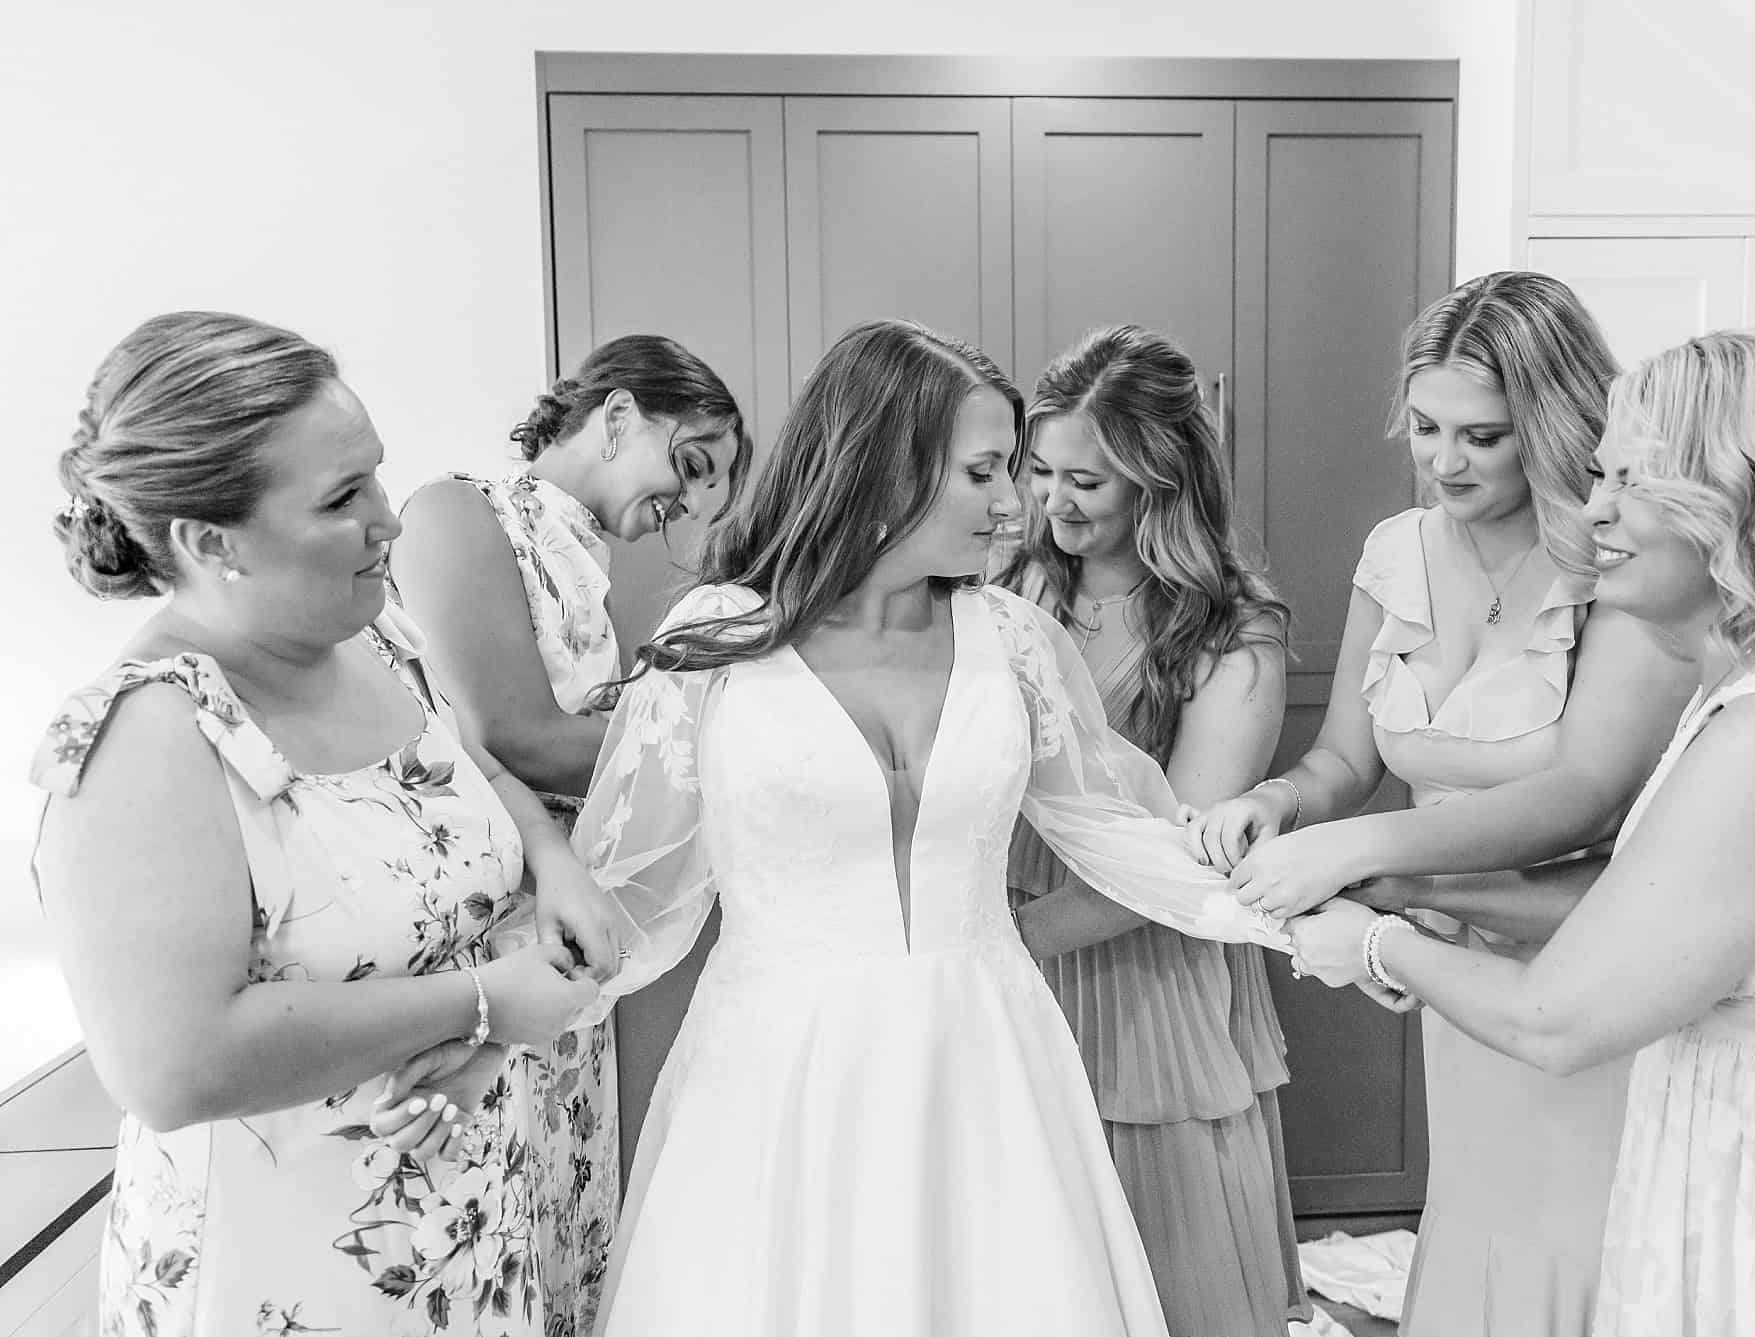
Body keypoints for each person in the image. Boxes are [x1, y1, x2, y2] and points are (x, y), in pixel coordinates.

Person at [571, 318, 1289, 1337]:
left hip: (987, 1058)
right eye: (987, 471)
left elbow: (1131, 831)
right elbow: (617, 891)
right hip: (781, 1077)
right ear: (884, 464)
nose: (1015, 505)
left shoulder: (1014, 638)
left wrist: (1321, 911)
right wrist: (482, 1016)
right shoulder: (712, 642)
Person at [1290, 326, 1755, 1337]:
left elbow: (1556, 1017)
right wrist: (1419, 892)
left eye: (1636, 481)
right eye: (1598, 473)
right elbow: (1650, 903)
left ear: (1742, 501)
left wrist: (1364, 940)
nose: (1593, 511)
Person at [30, 311, 612, 1337]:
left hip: (461, 1226)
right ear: (212, 540)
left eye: (375, 476)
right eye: (343, 498)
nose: (389, 521)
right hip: (290, 1268)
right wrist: (481, 1002)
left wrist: (551, 856)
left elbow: (463, 766)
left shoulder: (377, 633)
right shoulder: (147, 735)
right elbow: (174, 1063)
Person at [1187, 272, 1696, 1335]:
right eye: (1424, 427)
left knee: (1574, 1234)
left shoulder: (1623, 573)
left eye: (1481, 436)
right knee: (1481, 1215)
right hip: (1444, 963)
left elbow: (1579, 792)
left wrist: (1358, 855)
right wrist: (1280, 801)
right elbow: (1345, 755)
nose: (1442, 461)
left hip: (1581, 959)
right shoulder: (1395, 551)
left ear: (1550, 426)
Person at [387, 334, 747, 1336]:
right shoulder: (457, 511)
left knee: (557, 1219)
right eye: (689, 462)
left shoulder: (583, 558)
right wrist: (743, 757)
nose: (686, 504)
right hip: (491, 924)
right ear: (619, 412)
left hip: (567, 931)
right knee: (479, 1223)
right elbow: (509, 733)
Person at [998, 324, 1308, 1336]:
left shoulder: (1227, 631)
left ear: (1158, 478)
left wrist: (1002, 940)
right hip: (1010, 953)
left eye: (1085, 479)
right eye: (1036, 468)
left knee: (1160, 1266)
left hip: (1139, 976)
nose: (1051, 499)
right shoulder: (1004, 590)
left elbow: (1175, 859)